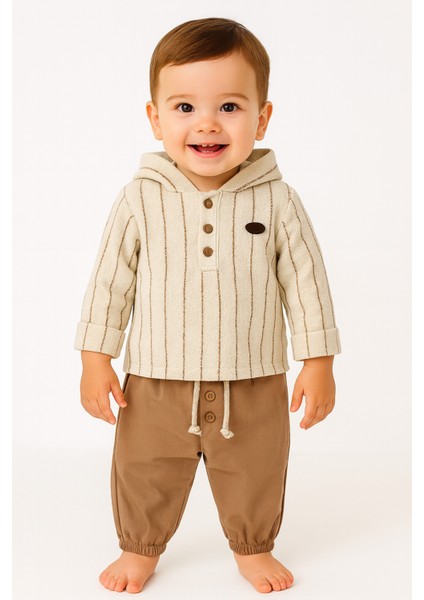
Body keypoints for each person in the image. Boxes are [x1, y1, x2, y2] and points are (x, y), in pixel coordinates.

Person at [74, 17, 341, 595]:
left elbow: (306, 283)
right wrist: (96, 358)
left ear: (262, 117)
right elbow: (110, 282)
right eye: (185, 107)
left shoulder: (278, 200)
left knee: (256, 469)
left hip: (253, 378)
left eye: (229, 107)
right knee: (143, 468)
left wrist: (318, 361)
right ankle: (138, 546)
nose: (207, 123)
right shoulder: (139, 198)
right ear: (155, 117)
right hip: (155, 378)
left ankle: (254, 546)